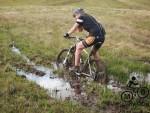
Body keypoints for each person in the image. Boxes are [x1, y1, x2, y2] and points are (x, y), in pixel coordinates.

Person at [64, 8, 106, 74]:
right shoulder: (88, 17)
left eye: (75, 16)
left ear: (77, 13)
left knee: (78, 47)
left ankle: (76, 68)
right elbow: (80, 30)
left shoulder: (81, 17)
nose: (75, 18)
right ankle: (100, 69)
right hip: (101, 37)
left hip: (94, 37)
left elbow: (74, 27)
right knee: (94, 52)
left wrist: (67, 34)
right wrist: (89, 36)